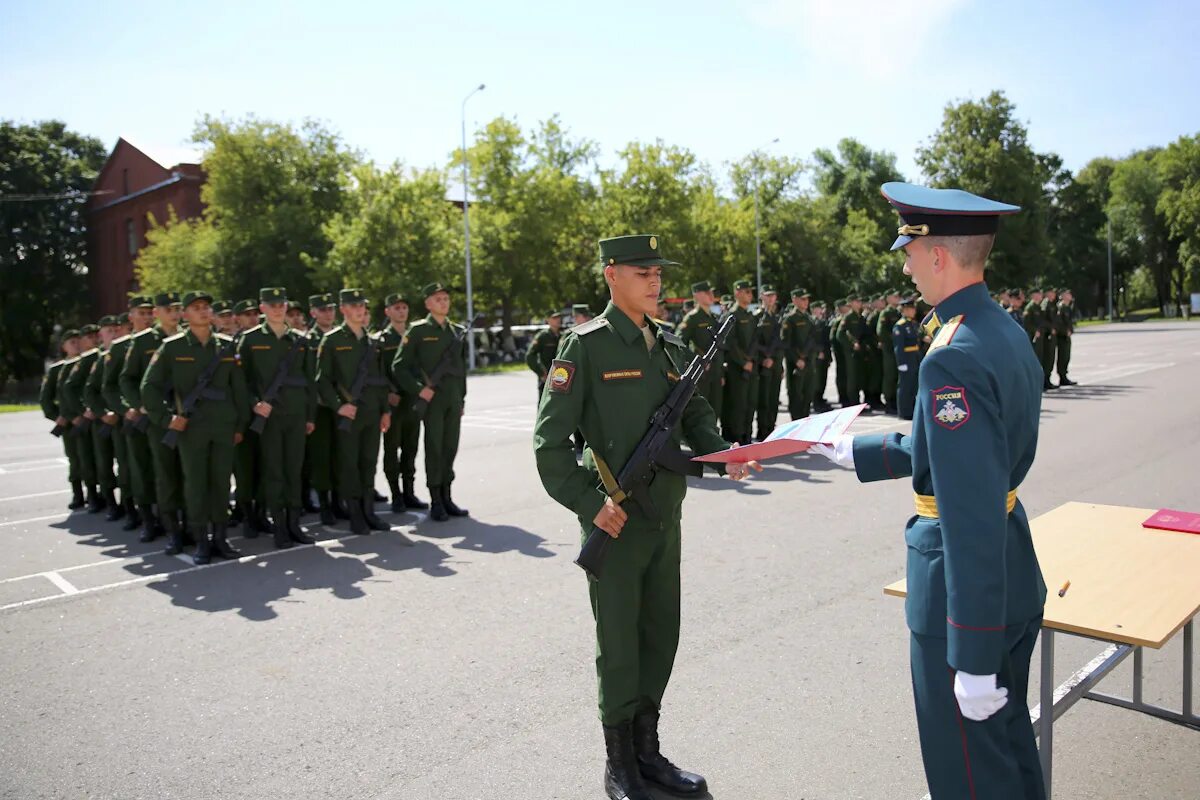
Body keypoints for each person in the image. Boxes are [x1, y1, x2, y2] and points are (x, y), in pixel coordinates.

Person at [811, 182, 1047, 800]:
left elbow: (968, 510)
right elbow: (962, 453)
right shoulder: (998, 330)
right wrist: (852, 450)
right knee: (1011, 753)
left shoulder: (952, 354)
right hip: (1010, 571)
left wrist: (971, 655)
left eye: (910, 253)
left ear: (938, 255)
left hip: (964, 596)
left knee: (969, 776)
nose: (907, 266)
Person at [533, 234, 760, 800]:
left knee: (661, 634)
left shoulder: (669, 343)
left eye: (659, 272)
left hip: (666, 519)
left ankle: (648, 751)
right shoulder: (583, 347)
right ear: (611, 275)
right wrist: (592, 505)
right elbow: (549, 445)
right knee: (620, 642)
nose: (656, 281)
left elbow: (697, 412)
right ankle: (619, 765)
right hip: (616, 522)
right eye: (643, 272)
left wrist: (724, 451)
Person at [142, 291, 250, 563]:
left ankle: (221, 539)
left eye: (206, 308)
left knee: (222, 483)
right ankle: (201, 539)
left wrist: (240, 424)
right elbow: (149, 387)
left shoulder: (226, 346)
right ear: (185, 315)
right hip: (192, 429)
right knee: (196, 484)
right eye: (196, 308)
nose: (203, 312)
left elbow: (239, 390)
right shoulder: (172, 347)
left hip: (223, 426)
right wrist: (166, 419)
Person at [238, 287, 318, 549]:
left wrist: (310, 416)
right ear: (262, 308)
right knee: (274, 472)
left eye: (281, 303)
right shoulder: (249, 340)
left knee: (294, 471)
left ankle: (295, 523)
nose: (277, 308)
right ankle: (280, 526)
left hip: (295, 415)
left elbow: (309, 383)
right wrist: (254, 404)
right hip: (269, 417)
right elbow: (242, 381)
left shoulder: (300, 340)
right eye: (271, 304)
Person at [315, 289, 392, 535]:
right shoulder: (333, 340)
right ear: (343, 310)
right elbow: (322, 380)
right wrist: (339, 405)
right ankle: (356, 514)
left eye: (362, 305)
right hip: (349, 415)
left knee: (369, 463)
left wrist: (385, 411)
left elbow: (380, 381)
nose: (360, 310)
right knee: (349, 465)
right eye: (354, 305)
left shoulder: (372, 342)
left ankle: (370, 512)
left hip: (372, 412)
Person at [392, 283, 470, 523]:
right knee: (434, 448)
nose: (443, 303)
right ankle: (436, 499)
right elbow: (399, 367)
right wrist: (419, 390)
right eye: (438, 299)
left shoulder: (457, 331)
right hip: (432, 400)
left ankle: (447, 496)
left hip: (452, 399)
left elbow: (461, 369)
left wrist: (462, 398)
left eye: (446, 298)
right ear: (427, 303)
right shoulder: (417, 331)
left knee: (450, 448)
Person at [121, 292, 183, 545]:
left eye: (177, 309)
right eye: (168, 309)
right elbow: (126, 379)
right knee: (163, 474)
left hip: (186, 416)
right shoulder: (144, 341)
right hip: (158, 418)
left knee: (187, 472)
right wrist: (141, 406)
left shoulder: (188, 337)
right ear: (159, 313)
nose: (174, 313)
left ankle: (190, 522)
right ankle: (167, 527)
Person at [378, 291, 428, 512]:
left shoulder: (414, 336)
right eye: (396, 307)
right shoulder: (380, 339)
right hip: (393, 403)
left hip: (412, 400)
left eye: (404, 307)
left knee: (411, 449)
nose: (401, 311)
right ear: (387, 311)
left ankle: (409, 492)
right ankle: (395, 494)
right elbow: (376, 371)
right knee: (391, 450)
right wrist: (387, 392)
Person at [59, 323, 104, 513]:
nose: (77, 345)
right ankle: (83, 495)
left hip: (98, 416)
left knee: (100, 458)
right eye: (73, 342)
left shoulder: (99, 358)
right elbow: (61, 395)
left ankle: (101, 495)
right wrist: (73, 415)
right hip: (76, 422)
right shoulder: (65, 367)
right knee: (80, 459)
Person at [82, 315, 123, 521]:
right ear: (101, 335)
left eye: (117, 330)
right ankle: (110, 503)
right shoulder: (100, 359)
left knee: (126, 464)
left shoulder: (124, 352)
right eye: (110, 331)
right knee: (104, 463)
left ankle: (128, 503)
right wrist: (103, 413)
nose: (114, 334)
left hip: (123, 417)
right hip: (105, 421)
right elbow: (90, 392)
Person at [305, 292, 341, 523]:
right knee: (321, 457)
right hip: (319, 408)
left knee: (340, 455)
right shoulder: (307, 340)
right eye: (323, 309)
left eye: (331, 309)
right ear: (313, 313)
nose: (328, 313)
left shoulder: (341, 337)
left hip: (341, 405)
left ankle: (339, 501)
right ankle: (325, 504)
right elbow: (309, 376)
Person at [40, 329, 85, 509]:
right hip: (69, 423)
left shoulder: (88, 363)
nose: (76, 345)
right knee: (75, 459)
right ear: (64, 347)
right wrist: (58, 416)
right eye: (71, 342)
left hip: (88, 418)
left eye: (78, 341)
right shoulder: (57, 369)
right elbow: (45, 399)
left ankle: (97, 494)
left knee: (94, 459)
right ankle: (77, 494)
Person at [677, 281, 723, 419]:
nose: (711, 295)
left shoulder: (713, 318)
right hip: (702, 374)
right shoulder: (692, 318)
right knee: (703, 414)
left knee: (716, 412)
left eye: (711, 292)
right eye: (707, 292)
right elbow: (679, 344)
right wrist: (697, 361)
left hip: (715, 371)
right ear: (697, 295)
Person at [720, 279, 755, 445]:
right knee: (737, 404)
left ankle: (747, 435)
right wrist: (743, 362)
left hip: (750, 366)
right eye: (747, 291)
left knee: (749, 402)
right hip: (736, 367)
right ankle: (736, 438)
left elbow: (754, 340)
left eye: (750, 292)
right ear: (737, 293)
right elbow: (730, 343)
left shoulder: (749, 314)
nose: (750, 294)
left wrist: (751, 359)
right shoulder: (732, 315)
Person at [753, 284, 784, 439]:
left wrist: (779, 363)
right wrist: (765, 357)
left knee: (773, 399)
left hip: (776, 365)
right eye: (768, 295)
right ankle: (763, 430)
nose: (771, 298)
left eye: (773, 295)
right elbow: (753, 343)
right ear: (761, 297)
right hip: (763, 364)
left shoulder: (776, 318)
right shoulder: (756, 317)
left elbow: (780, 344)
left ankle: (771, 429)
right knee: (764, 400)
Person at [783, 288, 814, 420]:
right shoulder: (790, 319)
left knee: (807, 395)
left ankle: (805, 424)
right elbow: (786, 343)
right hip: (796, 364)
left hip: (809, 362)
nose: (806, 301)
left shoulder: (808, 318)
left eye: (807, 298)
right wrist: (796, 360)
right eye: (803, 299)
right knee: (796, 396)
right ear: (794, 300)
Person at [526, 309, 566, 398]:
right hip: (547, 375)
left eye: (559, 317)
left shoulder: (563, 335)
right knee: (544, 403)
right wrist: (541, 373)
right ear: (548, 320)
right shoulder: (542, 336)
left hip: (561, 375)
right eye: (554, 318)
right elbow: (530, 356)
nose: (558, 320)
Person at [892, 297, 921, 420]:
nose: (913, 311)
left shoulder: (913, 324)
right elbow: (899, 346)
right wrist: (901, 363)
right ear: (904, 310)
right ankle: (904, 412)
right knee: (905, 386)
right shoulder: (900, 326)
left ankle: (911, 409)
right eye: (911, 308)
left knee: (914, 385)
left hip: (915, 357)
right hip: (906, 358)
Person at [877, 290, 902, 414]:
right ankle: (889, 401)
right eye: (895, 296)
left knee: (897, 375)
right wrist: (893, 339)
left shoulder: (898, 312)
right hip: (889, 349)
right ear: (888, 298)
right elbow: (881, 331)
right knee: (889, 375)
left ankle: (895, 401)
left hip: (898, 349)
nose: (898, 298)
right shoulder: (885, 313)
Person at [1054, 289, 1076, 386]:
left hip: (1066, 335)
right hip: (1062, 336)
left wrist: (1070, 330)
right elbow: (1059, 322)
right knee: (1062, 356)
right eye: (1068, 294)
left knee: (1066, 356)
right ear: (1063, 296)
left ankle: (1064, 376)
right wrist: (1065, 331)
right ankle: (1062, 377)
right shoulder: (1061, 307)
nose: (1070, 295)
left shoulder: (1067, 307)